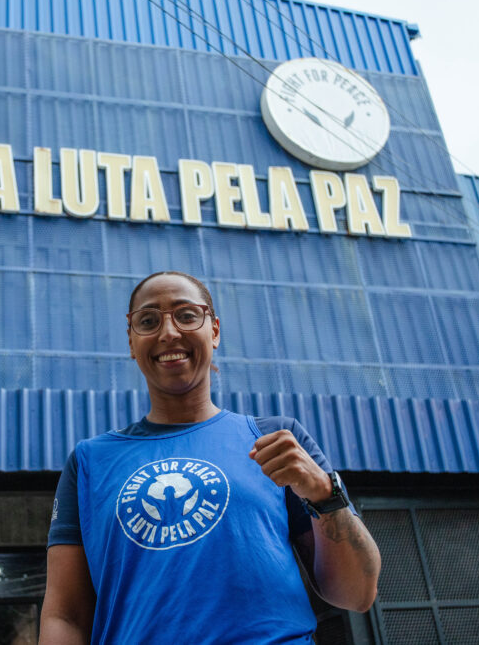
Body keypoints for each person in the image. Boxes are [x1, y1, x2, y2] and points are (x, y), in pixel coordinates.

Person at [39, 271, 381, 644]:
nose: (169, 332)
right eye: (149, 321)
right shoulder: (90, 461)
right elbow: (66, 615)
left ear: (214, 330)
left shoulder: (277, 440)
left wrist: (323, 495)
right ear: (132, 341)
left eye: (187, 315)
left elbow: (357, 594)